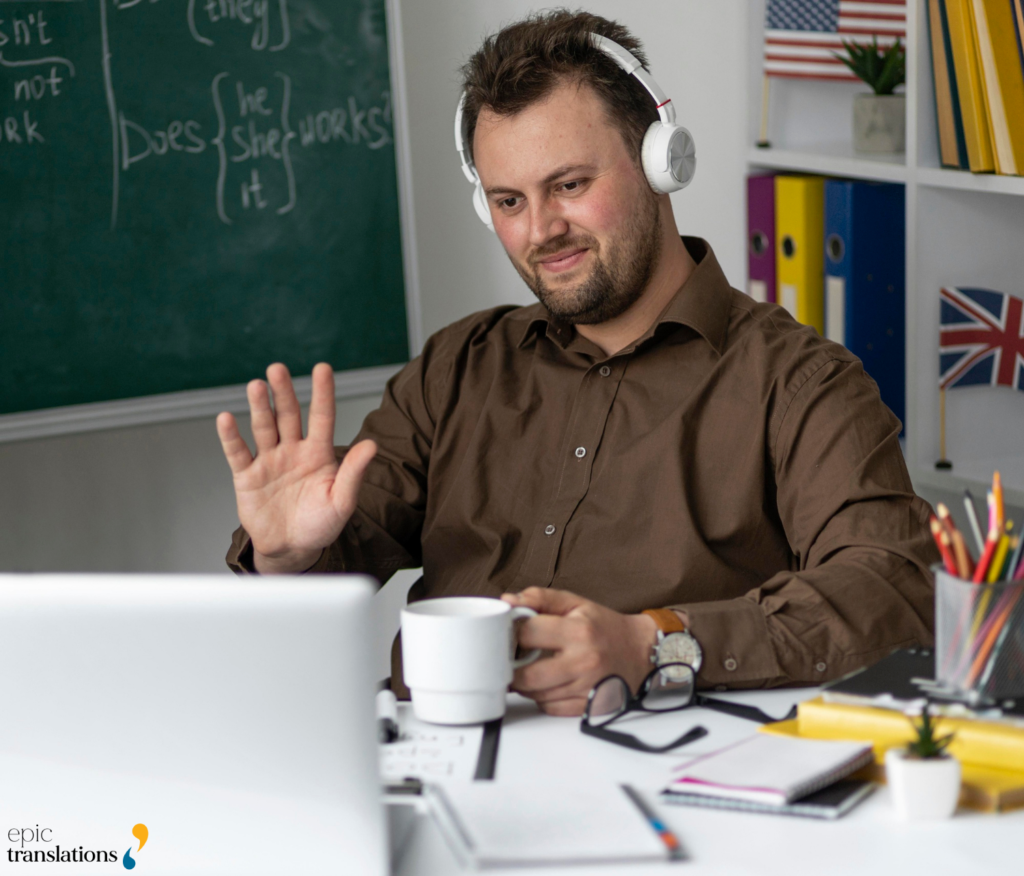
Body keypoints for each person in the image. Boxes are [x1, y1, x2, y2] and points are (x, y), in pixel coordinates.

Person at [218, 10, 938, 716]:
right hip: (433, 760)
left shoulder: (799, 382)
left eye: (569, 185)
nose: (541, 231)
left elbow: (894, 588)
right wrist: (285, 556)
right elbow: (325, 570)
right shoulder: (454, 368)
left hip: (661, 762)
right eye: (509, 201)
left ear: (660, 160)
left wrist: (656, 646)